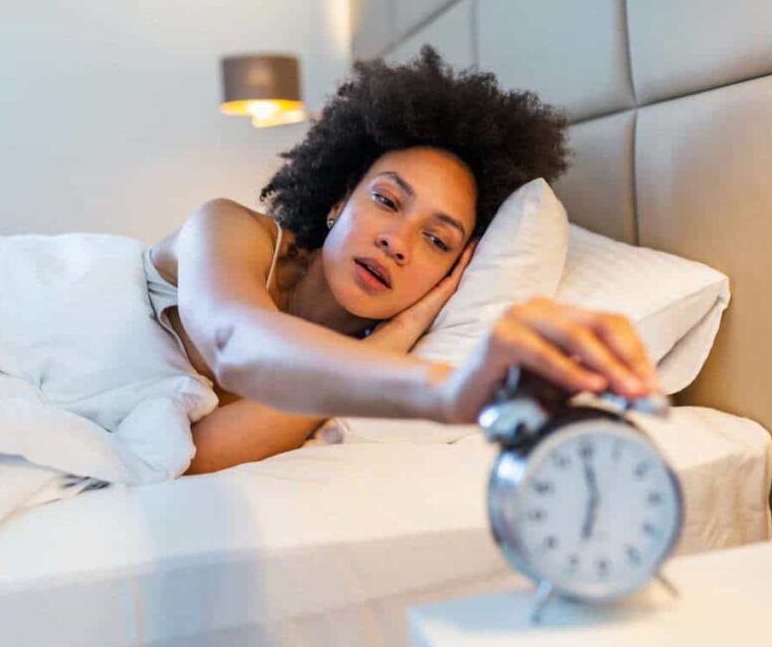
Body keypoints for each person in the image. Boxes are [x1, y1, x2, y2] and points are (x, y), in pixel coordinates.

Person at [145, 46, 658, 475]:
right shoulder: (228, 228)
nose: (398, 242)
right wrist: (443, 387)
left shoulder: (353, 358)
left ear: (453, 274)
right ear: (338, 201)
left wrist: (400, 334)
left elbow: (197, 456)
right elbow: (233, 344)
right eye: (387, 201)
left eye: (436, 240)